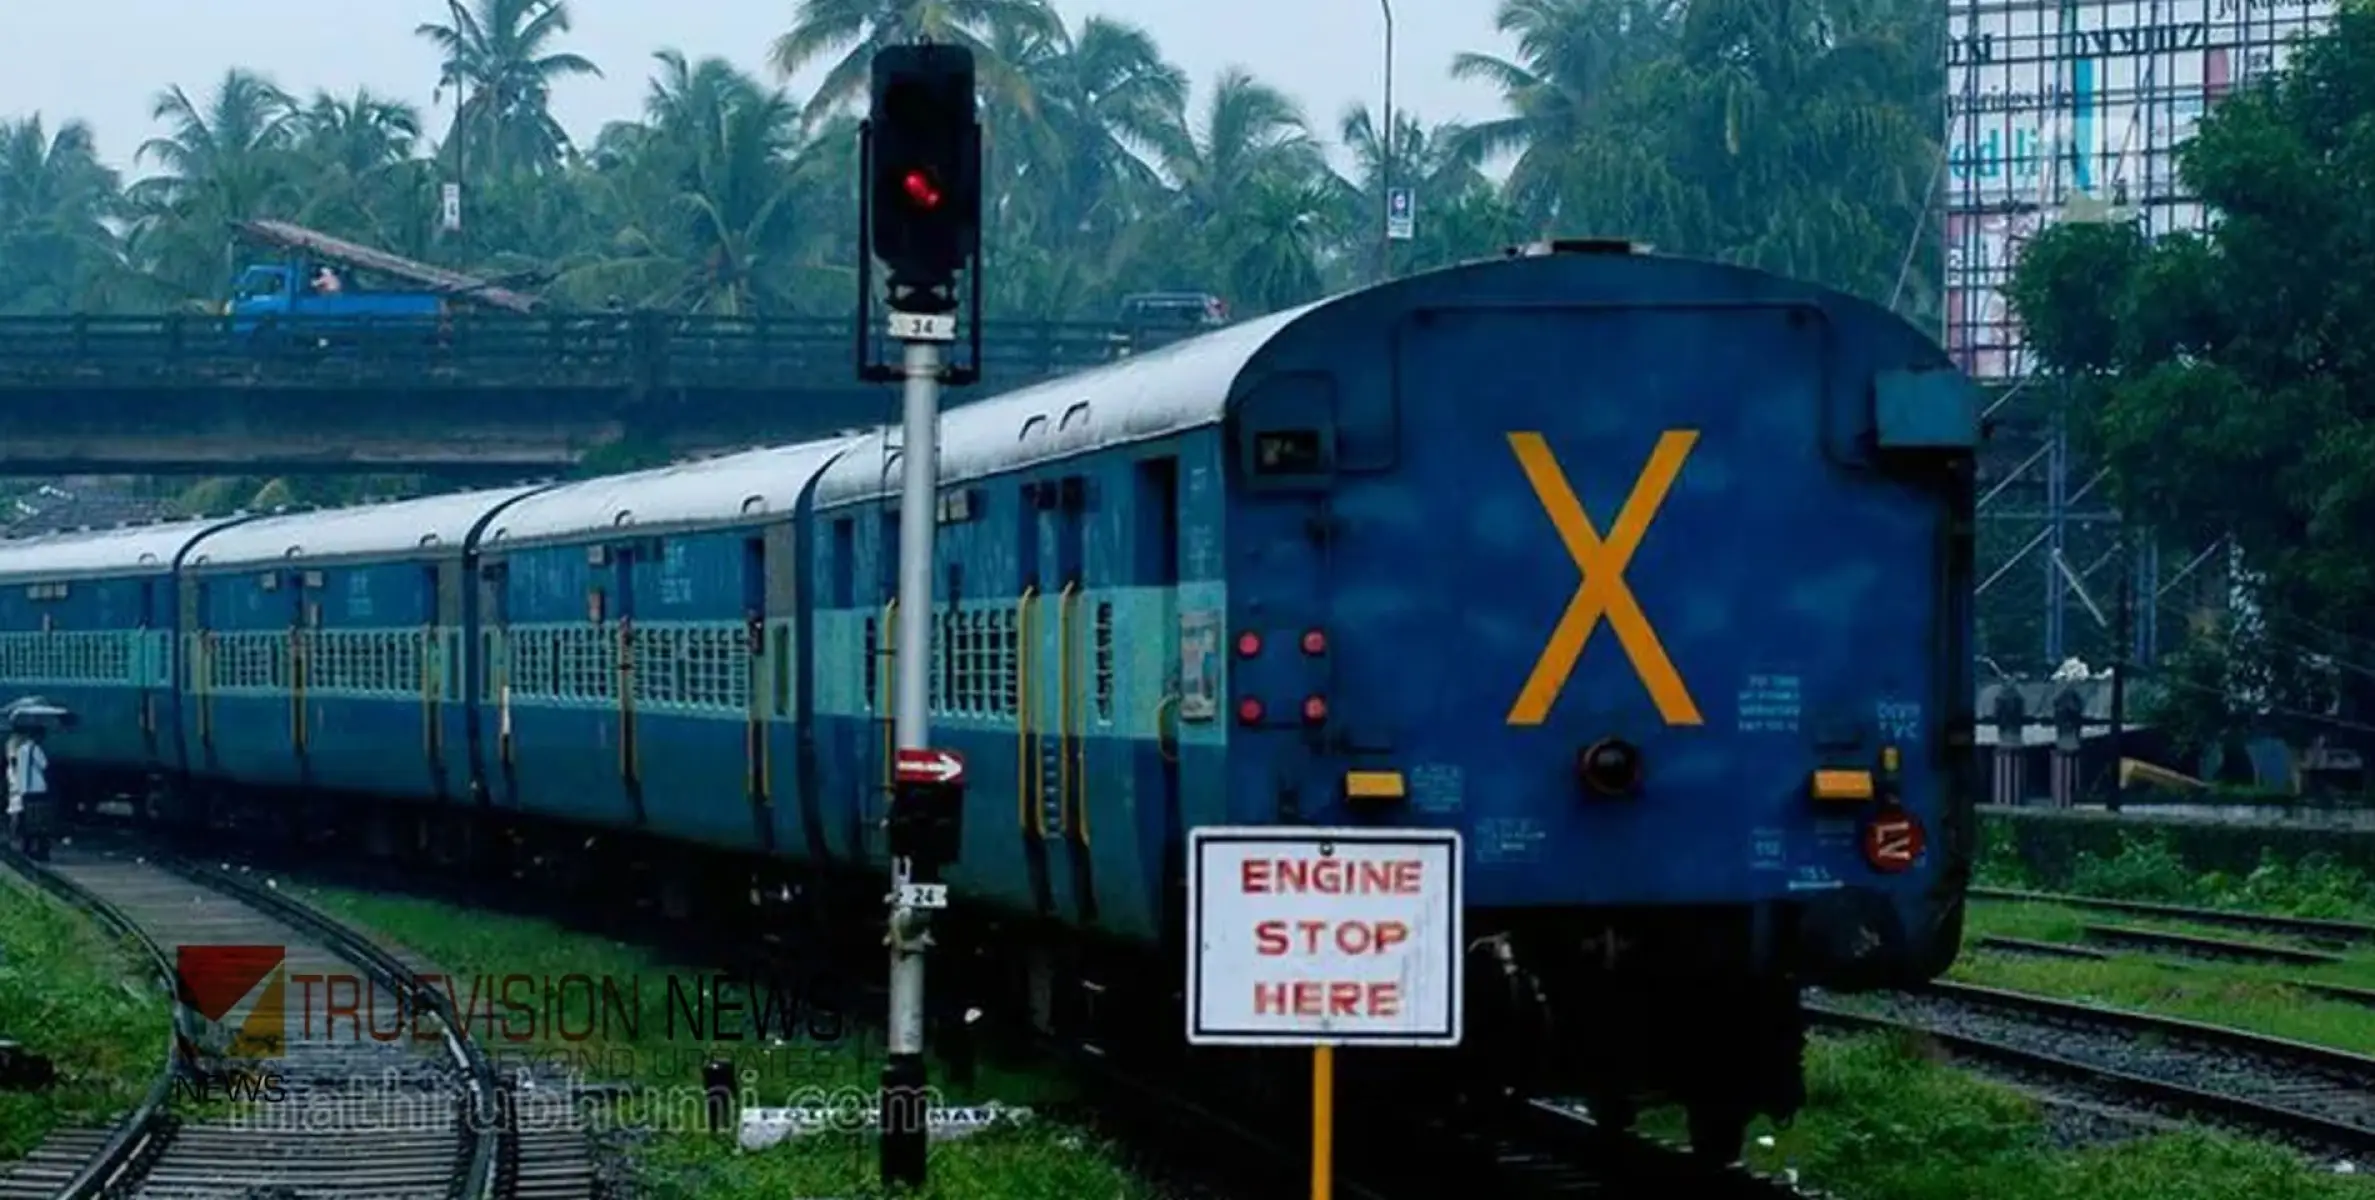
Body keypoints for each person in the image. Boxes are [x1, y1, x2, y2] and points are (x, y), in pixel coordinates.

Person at [11, 726, 50, 861]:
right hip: (38, 789)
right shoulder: (37, 750)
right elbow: (44, 765)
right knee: (40, 820)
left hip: (24, 790)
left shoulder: (21, 749)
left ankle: (26, 848)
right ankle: (41, 850)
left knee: (27, 820)